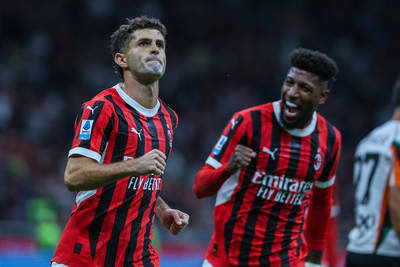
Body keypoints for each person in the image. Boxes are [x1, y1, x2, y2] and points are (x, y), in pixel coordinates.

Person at [51, 16, 189, 267]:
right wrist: (136, 165)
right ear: (121, 59)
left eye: (160, 44)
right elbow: (74, 176)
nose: (155, 48)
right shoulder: (102, 108)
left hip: (139, 258)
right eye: (144, 43)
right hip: (86, 257)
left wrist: (162, 210)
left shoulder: (169, 118)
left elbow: (143, 180)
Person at [193, 48, 341, 267]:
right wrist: (229, 167)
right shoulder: (247, 122)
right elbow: (200, 187)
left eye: (304, 88)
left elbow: (321, 204)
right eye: (289, 82)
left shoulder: (330, 138)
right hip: (228, 260)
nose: (292, 92)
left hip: (287, 261)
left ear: (323, 96)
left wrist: (315, 262)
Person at [346, 76, 400, 266]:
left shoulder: (368, 140)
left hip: (356, 249)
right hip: (388, 252)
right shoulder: (397, 143)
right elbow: (396, 204)